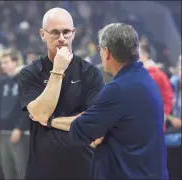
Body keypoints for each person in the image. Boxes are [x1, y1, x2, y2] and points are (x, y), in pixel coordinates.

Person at [36, 23, 168, 179]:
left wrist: (50, 120)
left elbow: (83, 129)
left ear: (106, 52)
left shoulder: (118, 88)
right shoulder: (144, 79)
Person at [18, 8, 104, 179]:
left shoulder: (90, 73)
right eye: (55, 33)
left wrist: (50, 121)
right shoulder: (30, 73)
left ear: (73, 33)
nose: (62, 38)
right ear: (42, 34)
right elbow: (41, 112)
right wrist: (58, 70)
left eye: (66, 32)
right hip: (42, 170)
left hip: (83, 168)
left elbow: (94, 125)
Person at [0, 52, 29, 179]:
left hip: (19, 133)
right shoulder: (0, 83)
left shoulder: (24, 81)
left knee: (21, 170)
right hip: (2, 132)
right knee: (7, 171)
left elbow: (27, 108)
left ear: (15, 62)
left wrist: (19, 128)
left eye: (6, 62)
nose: (3, 66)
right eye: (2, 63)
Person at [139, 44, 174, 131]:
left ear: (145, 55)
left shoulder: (156, 74)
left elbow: (168, 97)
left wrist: (164, 117)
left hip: (154, 124)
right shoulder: (140, 73)